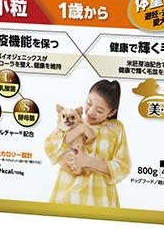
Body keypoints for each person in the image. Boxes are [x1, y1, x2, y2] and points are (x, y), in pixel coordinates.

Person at [44, 79, 131, 207]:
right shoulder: (73, 120)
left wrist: (87, 161)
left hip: (100, 200)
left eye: (99, 110)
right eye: (89, 103)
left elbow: (123, 166)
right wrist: (81, 128)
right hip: (67, 196)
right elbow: (50, 146)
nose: (90, 112)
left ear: (112, 112)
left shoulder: (116, 129)